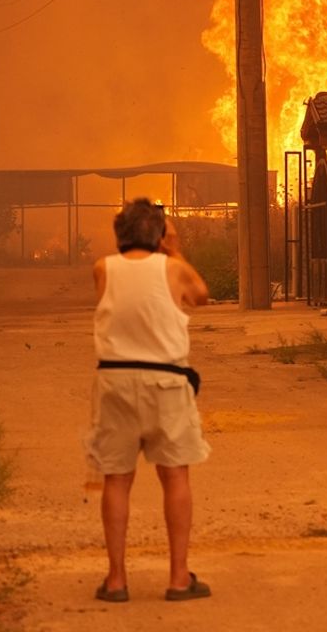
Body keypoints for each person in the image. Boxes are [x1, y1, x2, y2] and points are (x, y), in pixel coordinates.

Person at [85, 198, 212, 602]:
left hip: (115, 381)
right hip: (166, 382)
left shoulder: (103, 268)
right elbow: (200, 295)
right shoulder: (173, 268)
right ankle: (178, 578)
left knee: (117, 479)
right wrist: (173, 248)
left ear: (119, 234)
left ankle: (116, 580)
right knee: (174, 476)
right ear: (159, 234)